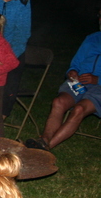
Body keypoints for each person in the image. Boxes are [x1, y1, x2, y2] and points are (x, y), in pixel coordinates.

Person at [26, 15, 101, 151]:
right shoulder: (92, 38)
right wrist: (72, 72)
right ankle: (44, 139)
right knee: (58, 102)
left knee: (79, 109)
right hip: (80, 83)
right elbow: (76, 62)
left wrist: (97, 79)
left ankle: (45, 148)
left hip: (99, 88)